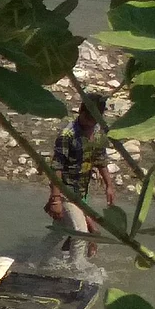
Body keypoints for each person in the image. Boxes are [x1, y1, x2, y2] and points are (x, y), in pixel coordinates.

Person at [44, 94, 115, 266]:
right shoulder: (67, 135)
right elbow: (56, 168)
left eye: (94, 119)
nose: (90, 123)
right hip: (65, 192)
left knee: (59, 232)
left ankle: (32, 263)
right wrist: (55, 199)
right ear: (81, 112)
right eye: (87, 117)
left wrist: (109, 185)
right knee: (81, 232)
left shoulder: (97, 133)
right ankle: (77, 270)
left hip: (81, 192)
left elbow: (101, 160)